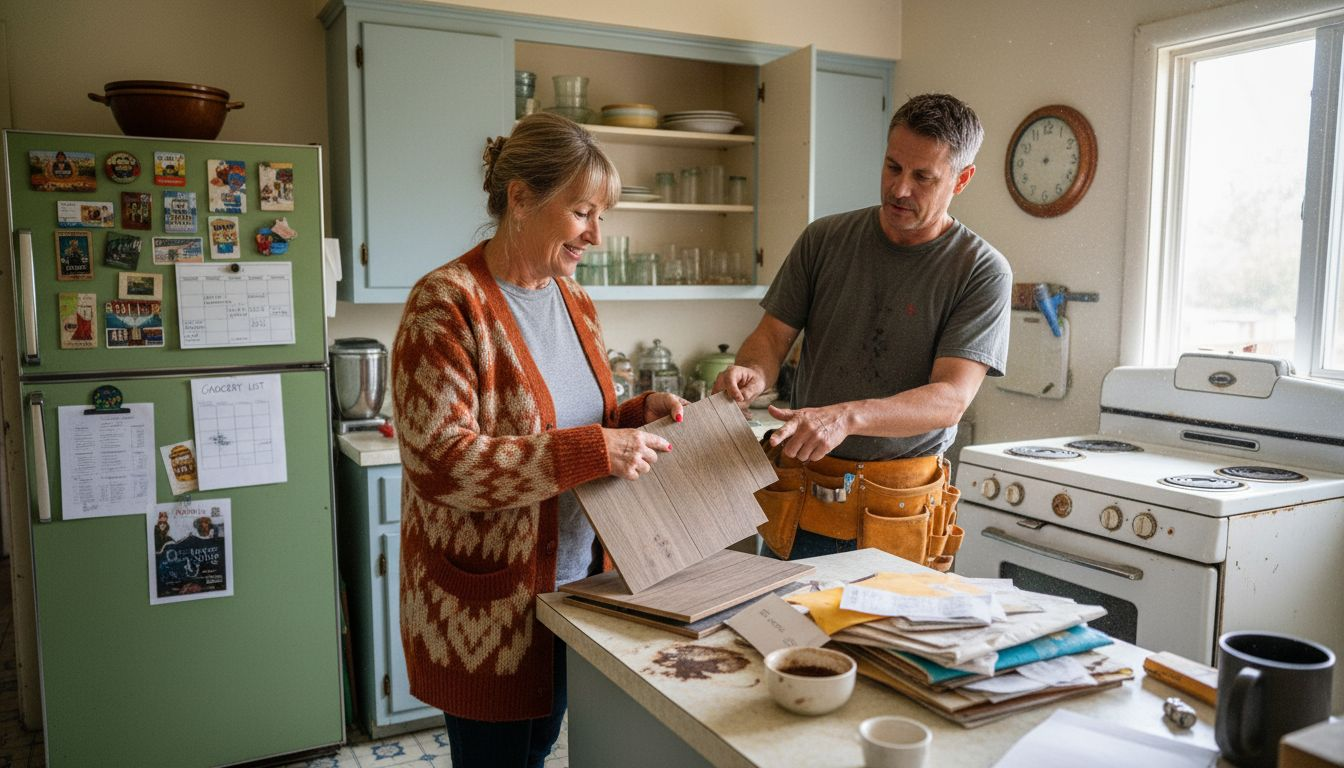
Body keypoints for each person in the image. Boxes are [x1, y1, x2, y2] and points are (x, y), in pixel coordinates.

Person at [392, 111, 685, 768]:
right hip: (487, 613)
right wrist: (598, 450)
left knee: (540, 751)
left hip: (575, 589)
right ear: (521, 199)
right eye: (582, 213)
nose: (596, 235)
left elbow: (576, 422)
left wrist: (637, 414)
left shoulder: (575, 301)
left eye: (601, 217)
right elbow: (441, 462)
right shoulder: (446, 304)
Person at [714, 93, 1012, 569]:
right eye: (893, 167)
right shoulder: (823, 240)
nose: (899, 188)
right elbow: (771, 337)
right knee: (781, 618)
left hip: (901, 508)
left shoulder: (981, 270)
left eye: (923, 177)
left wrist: (846, 417)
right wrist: (752, 371)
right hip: (802, 491)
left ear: (962, 179)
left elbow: (950, 399)